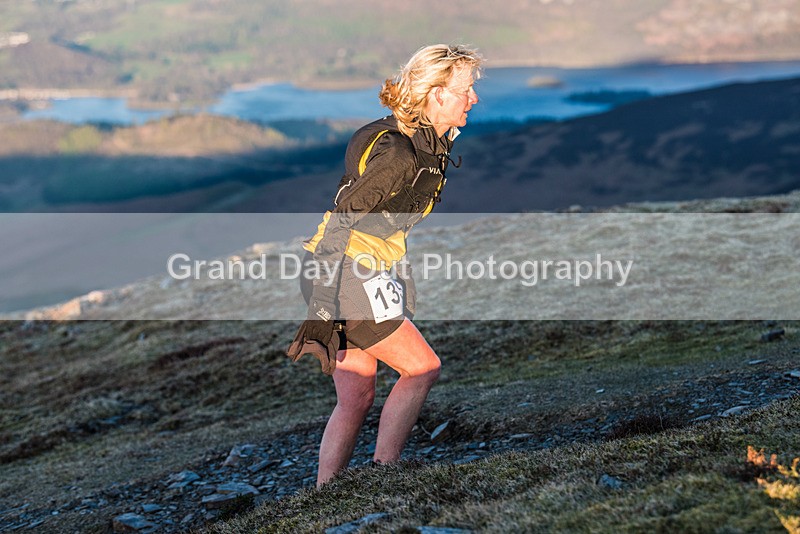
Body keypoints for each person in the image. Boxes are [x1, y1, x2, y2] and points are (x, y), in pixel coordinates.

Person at [286, 43, 483, 487]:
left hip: (359, 270)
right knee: (422, 367)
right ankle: (385, 475)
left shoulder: (428, 144)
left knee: (356, 396)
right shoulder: (399, 153)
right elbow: (344, 218)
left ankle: (324, 495)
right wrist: (321, 306)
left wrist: (399, 281)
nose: (473, 99)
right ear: (436, 94)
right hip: (342, 273)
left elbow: (386, 226)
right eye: (465, 90)